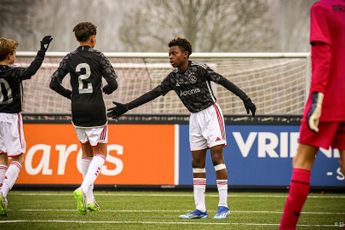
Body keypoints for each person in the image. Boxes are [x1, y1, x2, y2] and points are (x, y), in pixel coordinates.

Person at [107, 37, 256, 219]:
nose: (170, 57)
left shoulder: (200, 69)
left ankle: (223, 206)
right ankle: (200, 209)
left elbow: (223, 82)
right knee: (197, 162)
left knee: (217, 157)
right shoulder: (173, 78)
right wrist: (127, 107)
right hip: (194, 118)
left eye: (174, 53)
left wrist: (245, 98)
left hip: (211, 115)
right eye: (169, 54)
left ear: (185, 55)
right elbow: (153, 93)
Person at [280, 0, 345, 229]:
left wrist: (317, 98)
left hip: (329, 98)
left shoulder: (322, 8)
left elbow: (323, 56)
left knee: (302, 159)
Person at [50, 22, 118, 215]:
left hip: (77, 110)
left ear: (77, 38)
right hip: (96, 109)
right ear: (93, 38)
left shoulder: (69, 58)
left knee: (86, 152)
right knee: (101, 154)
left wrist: (71, 95)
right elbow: (113, 82)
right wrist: (107, 89)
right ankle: (82, 189)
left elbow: (53, 83)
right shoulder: (99, 56)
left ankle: (90, 199)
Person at [0, 35, 52, 216]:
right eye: (14, 53)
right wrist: (42, 51)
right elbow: (30, 71)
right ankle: (2, 192)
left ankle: (1, 196)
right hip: (11, 117)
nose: (15, 56)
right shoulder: (12, 73)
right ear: (9, 55)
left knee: (1, 157)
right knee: (19, 157)